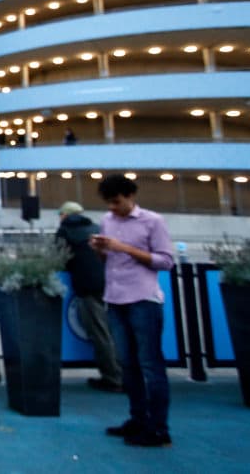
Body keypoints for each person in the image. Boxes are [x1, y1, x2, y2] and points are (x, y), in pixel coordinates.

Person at [93, 174, 175, 448]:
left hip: (143, 298)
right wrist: (101, 250)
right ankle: (138, 418)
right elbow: (110, 259)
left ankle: (159, 427)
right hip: (115, 298)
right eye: (109, 204)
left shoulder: (153, 221)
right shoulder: (107, 221)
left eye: (116, 202)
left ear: (130, 197)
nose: (113, 208)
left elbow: (165, 261)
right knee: (128, 364)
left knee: (150, 363)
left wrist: (123, 248)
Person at [56, 201, 122, 393]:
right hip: (109, 282)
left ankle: (113, 377)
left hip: (87, 285)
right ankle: (125, 373)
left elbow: (59, 258)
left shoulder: (65, 231)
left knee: (99, 332)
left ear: (64, 216)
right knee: (114, 330)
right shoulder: (96, 228)